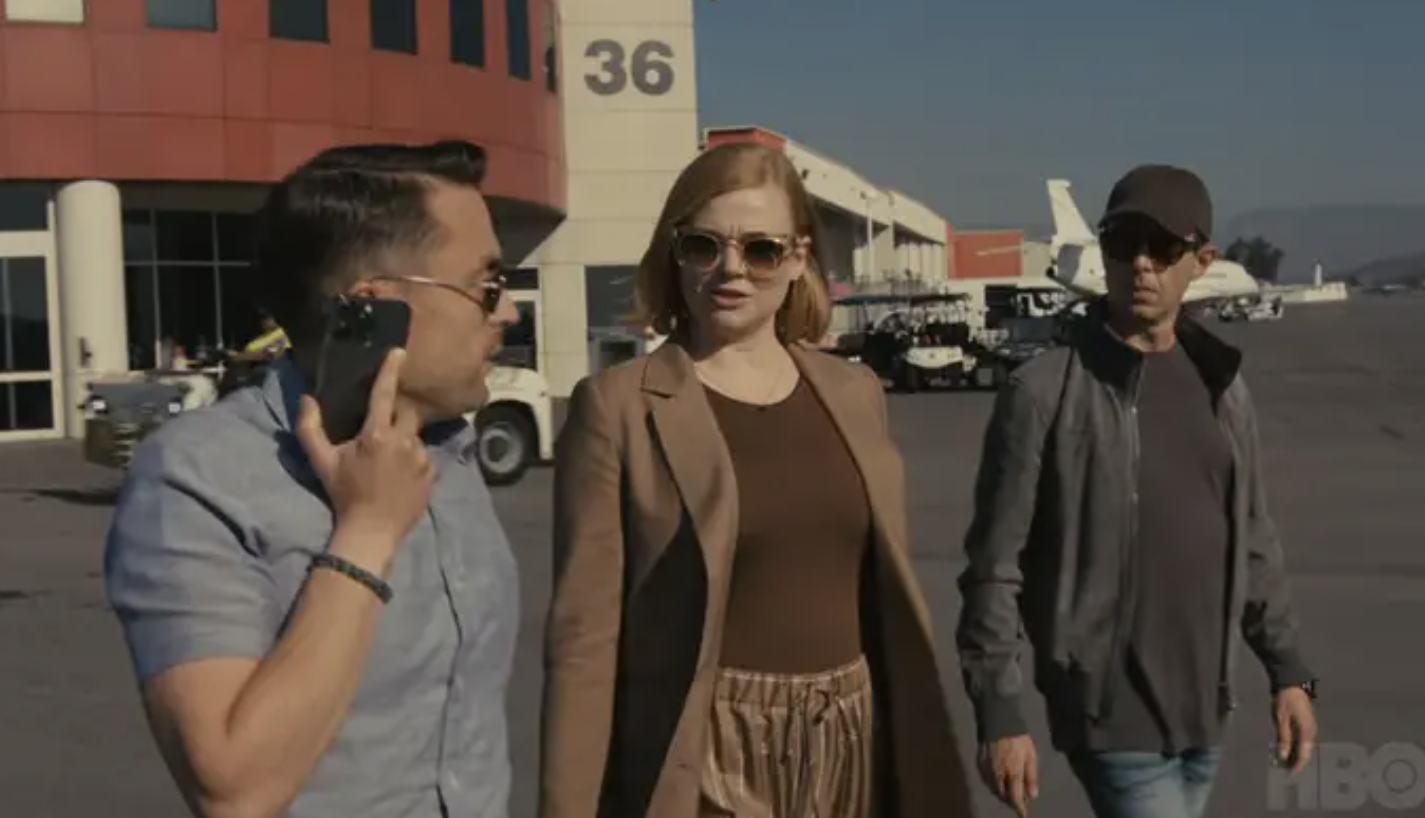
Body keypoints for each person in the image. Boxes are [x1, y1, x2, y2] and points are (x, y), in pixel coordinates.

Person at [540, 142, 975, 818]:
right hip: (710, 762)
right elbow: (583, 644)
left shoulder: (855, 391)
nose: (731, 270)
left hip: (854, 750)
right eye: (704, 246)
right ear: (674, 253)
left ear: (799, 258)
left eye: (762, 250)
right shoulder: (617, 407)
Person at [104, 140, 521, 818]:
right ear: (372, 308)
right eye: (487, 285)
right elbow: (235, 789)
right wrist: (367, 532)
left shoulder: (446, 447)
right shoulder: (197, 478)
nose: (507, 311)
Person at [956, 164, 1318, 818]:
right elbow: (994, 567)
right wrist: (999, 711)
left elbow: (1254, 539)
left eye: (1162, 247)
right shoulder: (1043, 392)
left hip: (1206, 710)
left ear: (1201, 260)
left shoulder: (1223, 388)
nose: (1142, 264)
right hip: (1109, 712)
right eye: (1123, 244)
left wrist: (1290, 671)